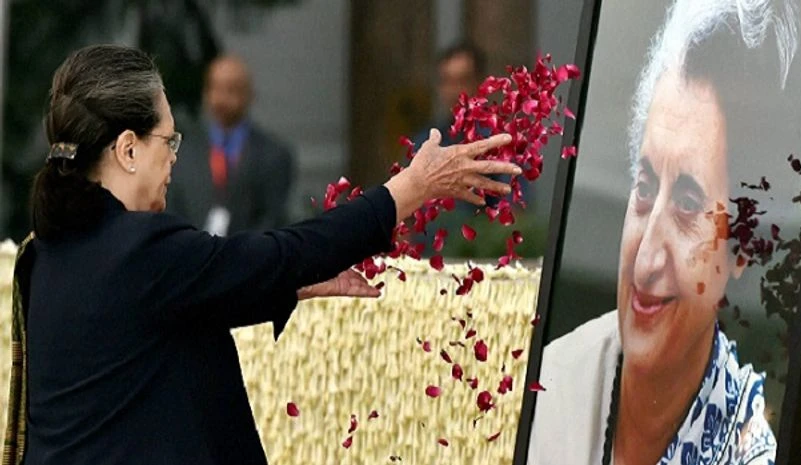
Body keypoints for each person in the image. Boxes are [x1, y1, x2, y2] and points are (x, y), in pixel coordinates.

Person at [2, 44, 520, 465]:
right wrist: (413, 186)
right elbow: (281, 254)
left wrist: (285, 284)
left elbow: (177, 310)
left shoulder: (49, 252)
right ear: (128, 149)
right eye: (168, 140)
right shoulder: (141, 252)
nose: (174, 157)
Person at [527, 0, 799, 463]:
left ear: (743, 247)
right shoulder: (554, 387)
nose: (646, 259)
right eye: (645, 187)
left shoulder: (749, 453)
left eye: (689, 204)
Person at [166, 54, 295, 236]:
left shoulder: (274, 155)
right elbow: (173, 213)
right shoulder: (182, 153)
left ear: (249, 94)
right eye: (215, 88)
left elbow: (272, 219)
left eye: (231, 89)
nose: (221, 98)